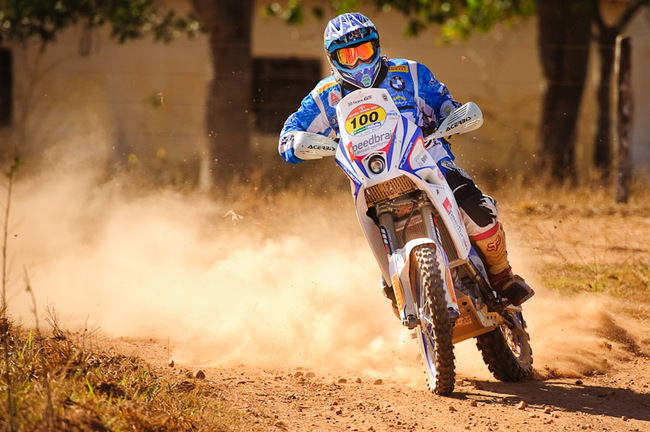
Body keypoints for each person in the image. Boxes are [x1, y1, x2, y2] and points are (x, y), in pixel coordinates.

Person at [278, 12, 534, 308]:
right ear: (333, 59)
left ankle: (502, 275)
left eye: (364, 51)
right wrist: (294, 144)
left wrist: (451, 113)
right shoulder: (325, 96)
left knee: (479, 213)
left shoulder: (410, 73)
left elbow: (442, 102)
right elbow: (290, 131)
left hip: (429, 160)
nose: (359, 62)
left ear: (376, 46)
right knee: (372, 230)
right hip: (370, 176)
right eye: (348, 56)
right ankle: (394, 283)